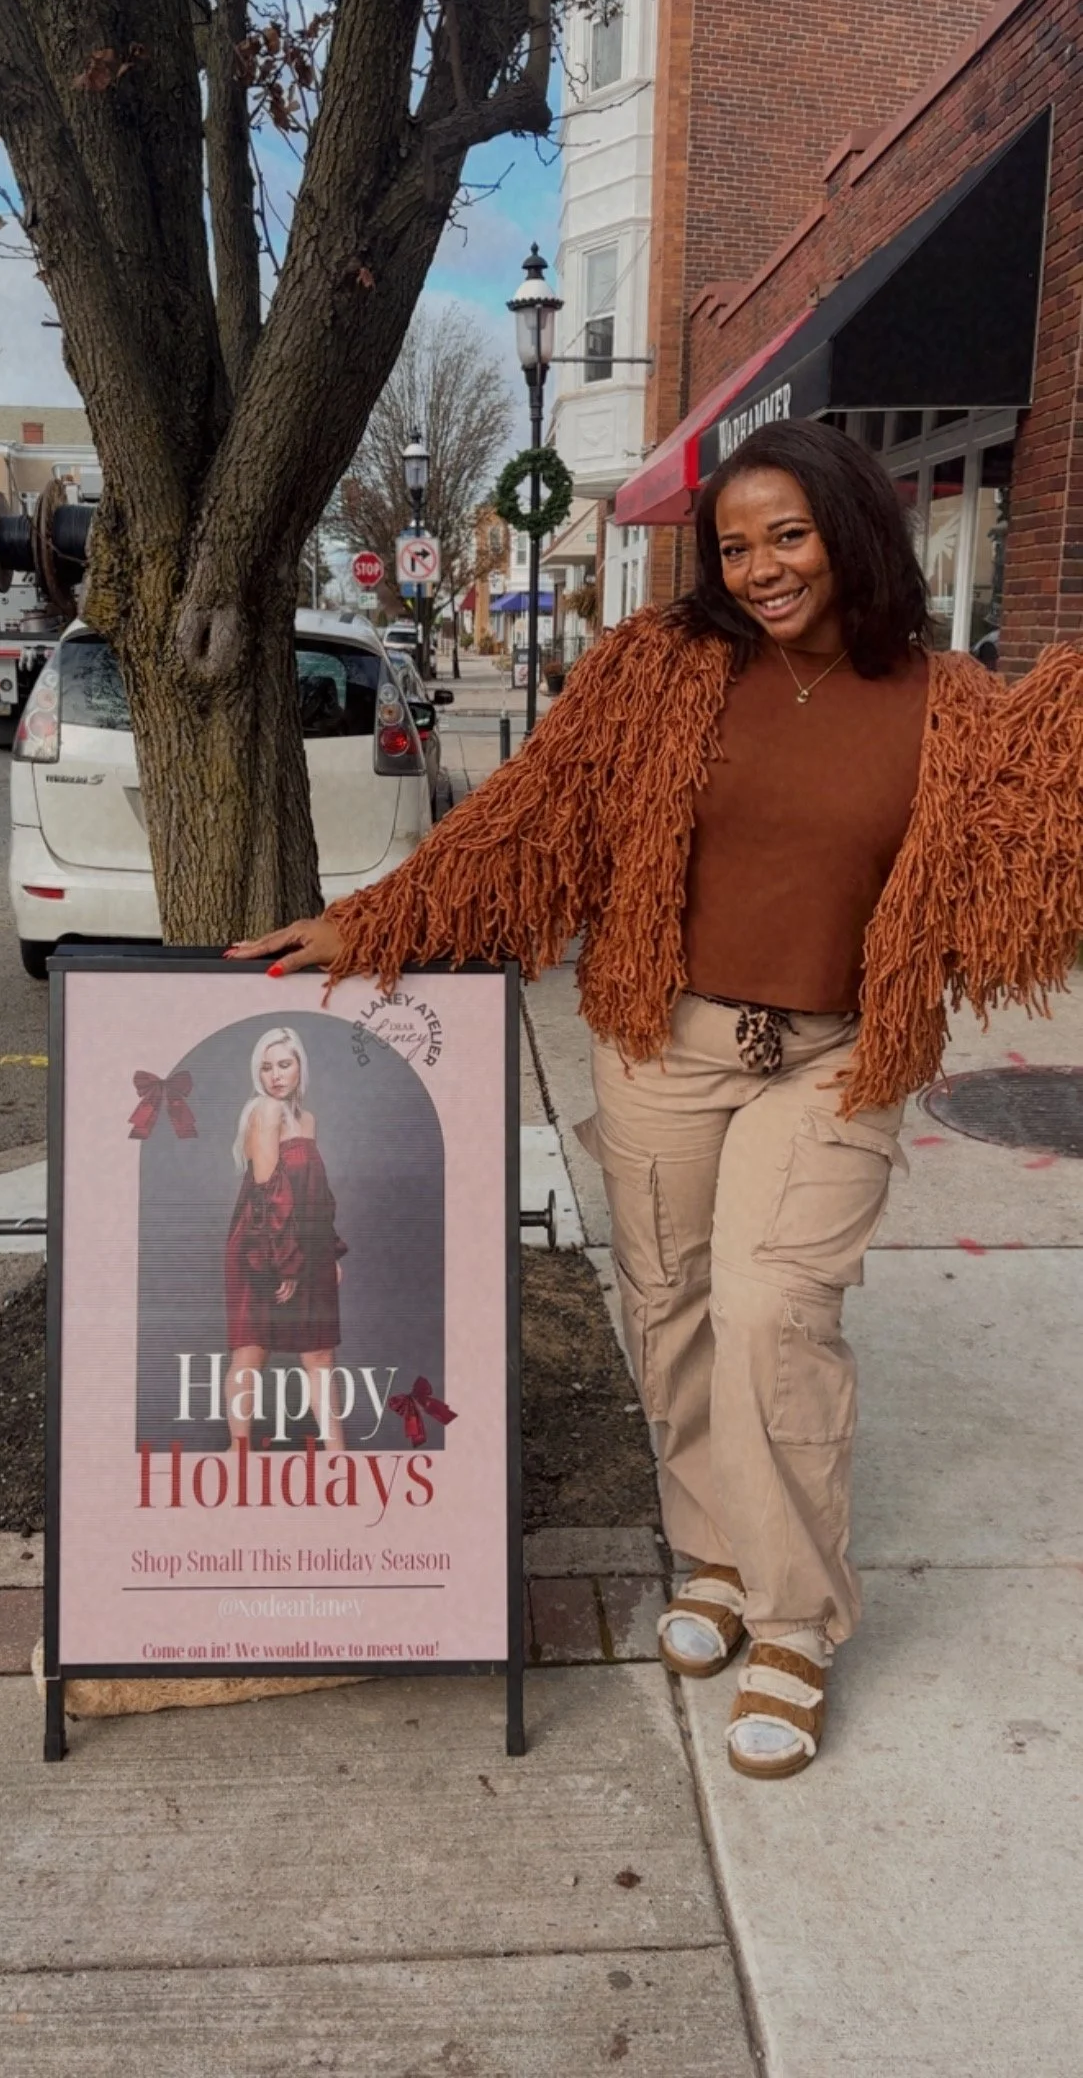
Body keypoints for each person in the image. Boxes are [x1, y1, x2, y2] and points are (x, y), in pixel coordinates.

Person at [228, 419, 1083, 1778]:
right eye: (735, 547)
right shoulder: (660, 665)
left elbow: (1038, 842)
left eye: (788, 536)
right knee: (670, 1305)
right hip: (660, 1037)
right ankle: (716, 1556)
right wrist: (380, 917)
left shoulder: (950, 703)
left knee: (772, 1310)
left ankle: (793, 1619)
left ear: (853, 532)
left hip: (833, 1054)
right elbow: (536, 807)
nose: (761, 568)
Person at [224, 1027, 348, 1451]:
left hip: (307, 1245)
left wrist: (329, 1252)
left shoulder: (307, 1120)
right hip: (263, 1244)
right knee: (252, 1350)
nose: (276, 1076)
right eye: (266, 1067)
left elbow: (316, 1193)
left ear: (299, 1067)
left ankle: (339, 1457)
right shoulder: (266, 1110)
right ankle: (238, 1452)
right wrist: (285, 1264)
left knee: (320, 1354)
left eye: (284, 1064)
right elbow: (267, 1193)